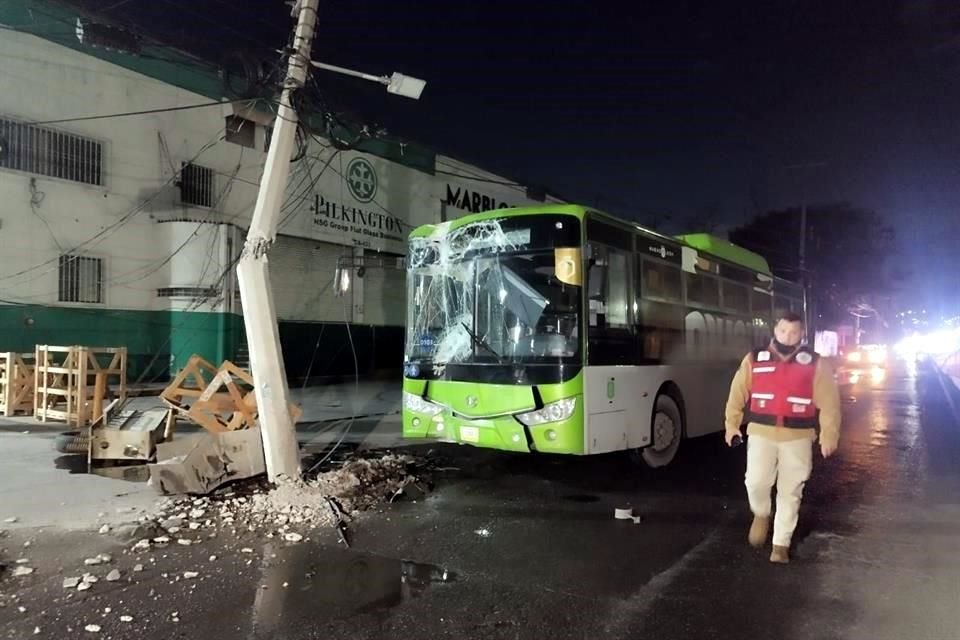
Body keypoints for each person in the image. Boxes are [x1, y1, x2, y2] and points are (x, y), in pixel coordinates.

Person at [724, 311, 841, 564]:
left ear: (801, 334)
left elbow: (830, 403)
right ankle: (761, 513)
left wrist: (829, 435)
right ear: (774, 330)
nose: (788, 336)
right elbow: (737, 392)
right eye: (783, 331)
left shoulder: (815, 363)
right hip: (761, 433)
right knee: (755, 481)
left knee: (791, 490)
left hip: (798, 437)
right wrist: (731, 424)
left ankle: (780, 544)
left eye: (794, 332)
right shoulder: (755, 359)